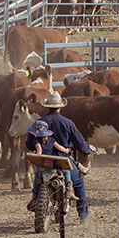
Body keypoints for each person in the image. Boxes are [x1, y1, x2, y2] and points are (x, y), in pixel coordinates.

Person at [25, 93, 94, 223]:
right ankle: (83, 214)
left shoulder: (38, 124)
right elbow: (79, 143)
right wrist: (86, 149)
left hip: (44, 161)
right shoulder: (68, 123)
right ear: (60, 107)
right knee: (78, 182)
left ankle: (35, 198)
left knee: (37, 178)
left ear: (47, 107)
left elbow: (29, 144)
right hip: (62, 160)